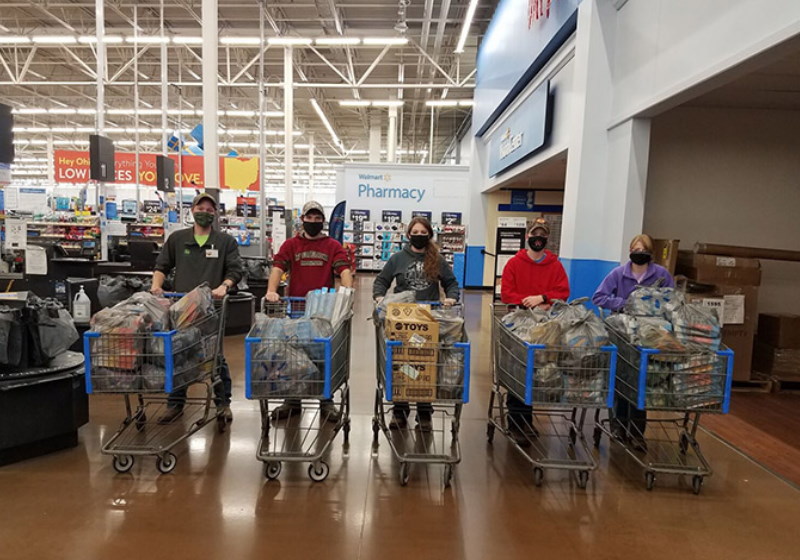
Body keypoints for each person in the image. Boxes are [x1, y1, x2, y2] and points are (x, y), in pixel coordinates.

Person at [152, 192, 243, 426]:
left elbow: (234, 271)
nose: (205, 212)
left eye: (210, 209)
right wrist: (156, 287)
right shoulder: (177, 239)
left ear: (216, 214)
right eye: (200, 208)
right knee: (179, 352)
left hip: (212, 309)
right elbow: (162, 266)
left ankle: (223, 402)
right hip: (181, 308)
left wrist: (224, 286)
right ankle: (175, 403)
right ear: (192, 210)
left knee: (214, 356)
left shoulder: (225, 242)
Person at [265, 200, 354, 422]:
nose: (313, 222)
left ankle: (326, 400)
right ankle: (292, 400)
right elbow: (278, 267)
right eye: (309, 217)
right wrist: (271, 291)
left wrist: (347, 294)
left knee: (323, 354)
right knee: (293, 355)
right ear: (302, 219)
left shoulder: (332, 245)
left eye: (317, 218)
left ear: (322, 221)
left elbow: (343, 270)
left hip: (322, 312)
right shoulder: (291, 245)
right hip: (295, 309)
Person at [372, 217, 460, 431]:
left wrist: (451, 298)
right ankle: (400, 410)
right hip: (402, 319)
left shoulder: (437, 259)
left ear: (429, 235)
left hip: (428, 319)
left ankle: (424, 411)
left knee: (425, 362)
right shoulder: (398, 258)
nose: (419, 235)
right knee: (402, 361)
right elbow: (382, 281)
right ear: (408, 234)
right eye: (415, 232)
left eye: (423, 232)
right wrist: (379, 297)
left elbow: (451, 283)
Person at [592, 233, 674, 451]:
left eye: (643, 250)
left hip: (649, 337)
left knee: (641, 382)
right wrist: (624, 303)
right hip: (622, 334)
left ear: (650, 253)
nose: (639, 254)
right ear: (630, 251)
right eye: (635, 250)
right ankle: (618, 426)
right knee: (621, 379)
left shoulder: (662, 275)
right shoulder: (619, 274)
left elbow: (672, 301)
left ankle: (637, 432)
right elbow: (599, 297)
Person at [500, 217, 570, 447]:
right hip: (519, 324)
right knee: (518, 369)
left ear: (546, 239)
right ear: (527, 237)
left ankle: (526, 418)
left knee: (540, 370)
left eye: (542, 236)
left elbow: (563, 291)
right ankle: (517, 421)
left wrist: (543, 298)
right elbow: (506, 294)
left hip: (546, 328)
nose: (538, 239)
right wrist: (527, 301)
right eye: (534, 235)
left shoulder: (555, 265)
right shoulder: (514, 264)